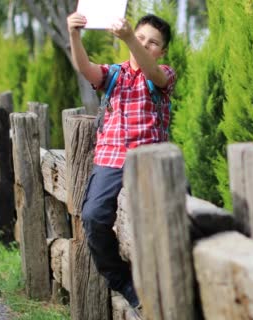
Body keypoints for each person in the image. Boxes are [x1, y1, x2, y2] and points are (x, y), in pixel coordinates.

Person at [66, 12, 176, 310]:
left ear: (161, 51)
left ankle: (168, 285)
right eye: (140, 37)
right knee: (93, 217)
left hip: (150, 162)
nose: (145, 44)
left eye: (153, 43)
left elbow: (156, 75)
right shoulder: (114, 74)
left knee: (174, 220)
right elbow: (85, 68)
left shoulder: (163, 73)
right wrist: (75, 34)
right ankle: (121, 280)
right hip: (111, 159)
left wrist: (129, 36)